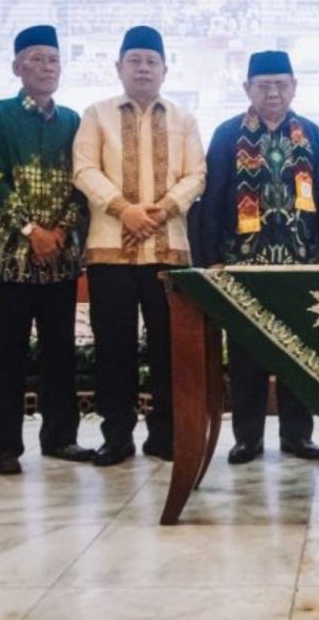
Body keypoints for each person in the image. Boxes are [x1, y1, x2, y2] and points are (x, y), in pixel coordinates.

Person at [198, 50, 319, 465]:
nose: (273, 93)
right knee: (246, 355)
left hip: (302, 263)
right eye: (264, 85)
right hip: (244, 264)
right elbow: (212, 202)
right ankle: (248, 439)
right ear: (247, 89)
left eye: (281, 84)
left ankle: (298, 436)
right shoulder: (227, 135)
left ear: (294, 86)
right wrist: (212, 260)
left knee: (300, 354)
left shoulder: (311, 134)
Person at [73, 26, 206, 466]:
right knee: (114, 348)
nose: (144, 68)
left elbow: (196, 176)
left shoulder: (184, 119)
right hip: (110, 251)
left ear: (165, 69)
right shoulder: (96, 114)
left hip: (169, 251)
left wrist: (163, 210)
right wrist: (122, 209)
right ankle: (117, 436)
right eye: (135, 60)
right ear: (118, 67)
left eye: (152, 61)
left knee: (169, 348)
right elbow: (84, 169)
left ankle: (165, 435)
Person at [0, 25, 93, 475]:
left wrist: (59, 231)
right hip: (10, 259)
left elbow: (82, 184)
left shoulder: (72, 122)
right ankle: (3, 446)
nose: (47, 68)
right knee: (8, 352)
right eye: (38, 59)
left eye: (54, 60)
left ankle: (61, 437)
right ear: (17, 66)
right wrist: (31, 230)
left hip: (59, 261)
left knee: (59, 350)